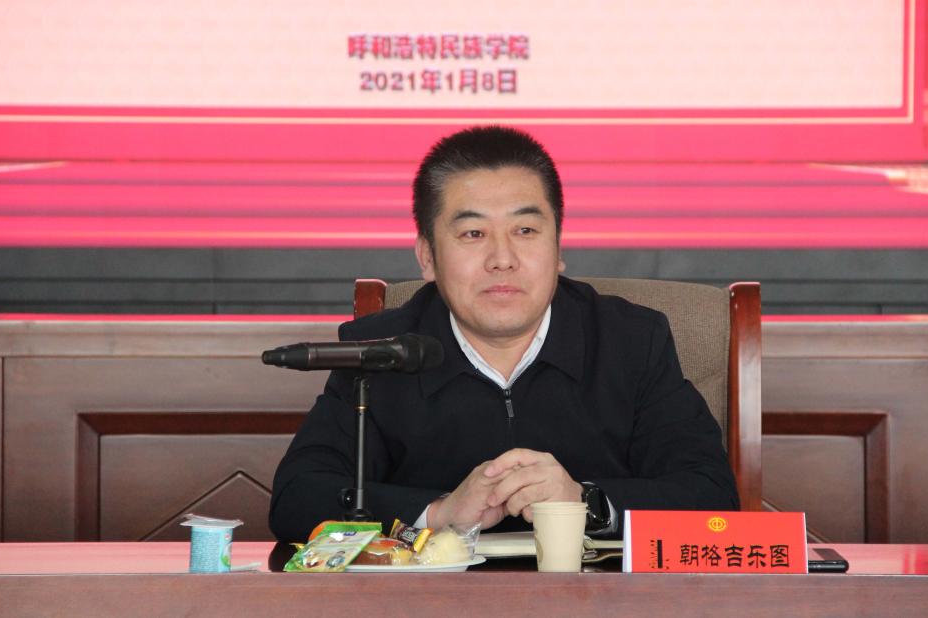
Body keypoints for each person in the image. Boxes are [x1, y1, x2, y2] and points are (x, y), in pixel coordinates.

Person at [269, 126, 738, 542]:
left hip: (595, 597)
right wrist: (438, 514)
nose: (502, 259)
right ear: (428, 257)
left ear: (558, 247)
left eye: (526, 230)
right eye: (473, 234)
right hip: (431, 600)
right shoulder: (382, 352)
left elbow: (713, 497)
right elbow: (297, 498)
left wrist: (585, 502)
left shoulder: (631, 340)